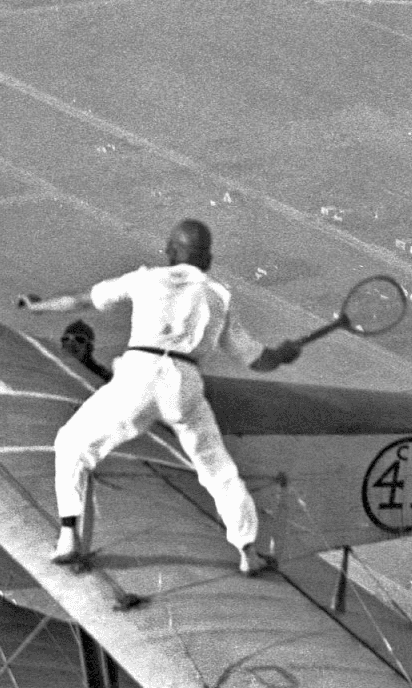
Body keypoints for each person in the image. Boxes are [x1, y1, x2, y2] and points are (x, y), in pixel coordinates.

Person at [18, 219, 302, 574]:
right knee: (219, 470)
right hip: (185, 382)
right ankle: (249, 553)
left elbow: (82, 301)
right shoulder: (220, 296)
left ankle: (67, 538)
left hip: (139, 373)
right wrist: (284, 353)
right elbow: (258, 360)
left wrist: (37, 307)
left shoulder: (146, 277)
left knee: (72, 443)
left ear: (170, 251)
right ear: (208, 258)